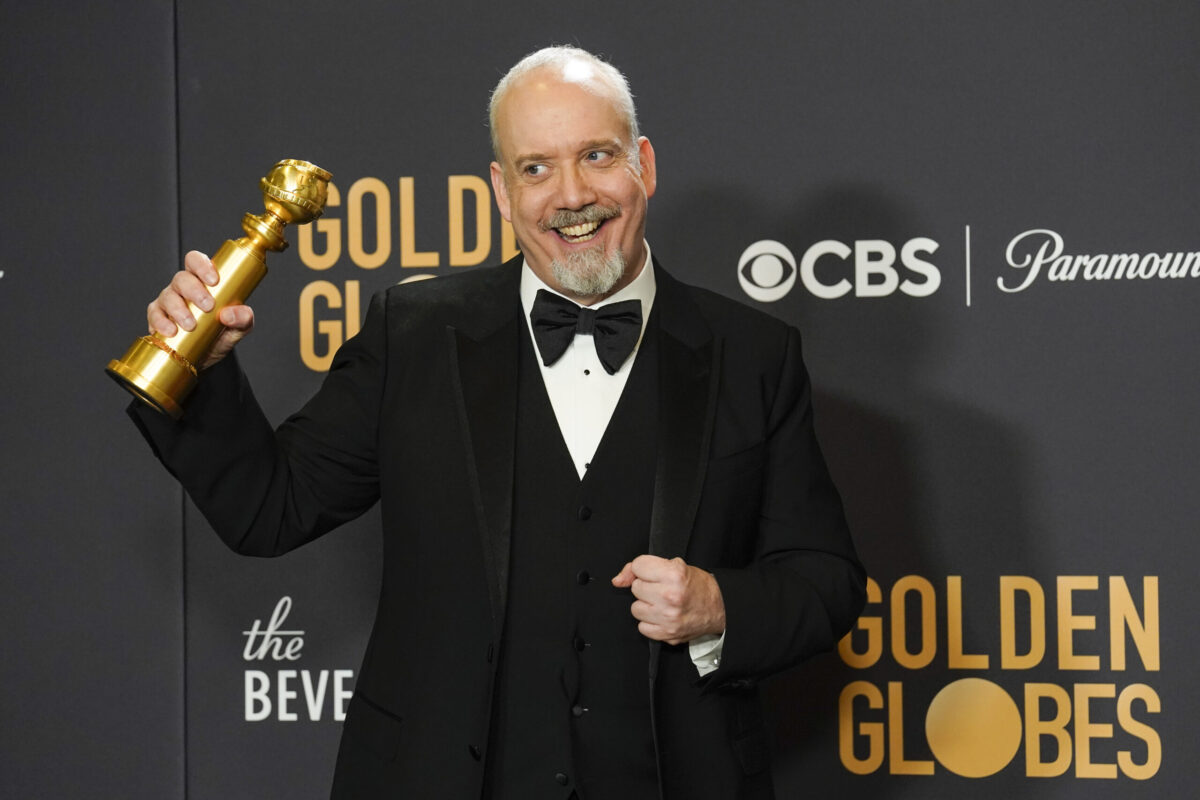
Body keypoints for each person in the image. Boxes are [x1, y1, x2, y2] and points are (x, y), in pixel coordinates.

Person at [132, 45, 865, 800]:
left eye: (597, 156)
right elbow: (269, 510)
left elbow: (827, 583)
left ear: (643, 163)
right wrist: (202, 368)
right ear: (501, 190)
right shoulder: (410, 335)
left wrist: (718, 608)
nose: (572, 195)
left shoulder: (753, 355)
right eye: (536, 168)